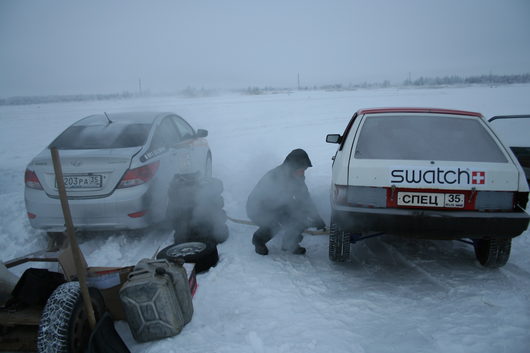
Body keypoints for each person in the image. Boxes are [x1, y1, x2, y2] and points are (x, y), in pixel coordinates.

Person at [246, 149, 326, 255]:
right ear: (293, 167)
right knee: (277, 221)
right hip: (259, 209)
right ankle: (258, 240)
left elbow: (305, 199)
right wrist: (288, 215)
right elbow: (272, 201)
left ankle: (289, 243)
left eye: (304, 170)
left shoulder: (297, 177)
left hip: (278, 207)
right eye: (301, 169)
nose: (303, 172)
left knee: (300, 215)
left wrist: (316, 218)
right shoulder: (276, 177)